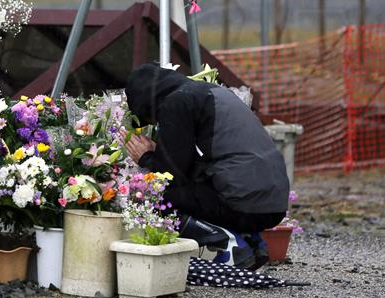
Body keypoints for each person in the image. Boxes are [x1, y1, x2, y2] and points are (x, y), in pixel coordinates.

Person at [124, 63, 289, 269]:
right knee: (199, 188)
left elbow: (172, 175)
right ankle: (253, 243)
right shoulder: (209, 92)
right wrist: (164, 151)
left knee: (159, 199)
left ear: (145, 102)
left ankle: (228, 245)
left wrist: (146, 157)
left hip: (244, 204)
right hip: (273, 204)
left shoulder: (175, 102)